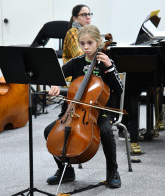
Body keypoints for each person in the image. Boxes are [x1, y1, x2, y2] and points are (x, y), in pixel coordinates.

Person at [44, 25, 123, 189]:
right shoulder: (76, 62)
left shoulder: (106, 63)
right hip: (73, 110)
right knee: (48, 131)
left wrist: (109, 67)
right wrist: (55, 85)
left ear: (99, 42)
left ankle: (112, 171)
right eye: (82, 43)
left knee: (107, 132)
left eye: (90, 43)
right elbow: (56, 74)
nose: (86, 47)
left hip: (101, 111)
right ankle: (65, 170)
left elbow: (119, 89)